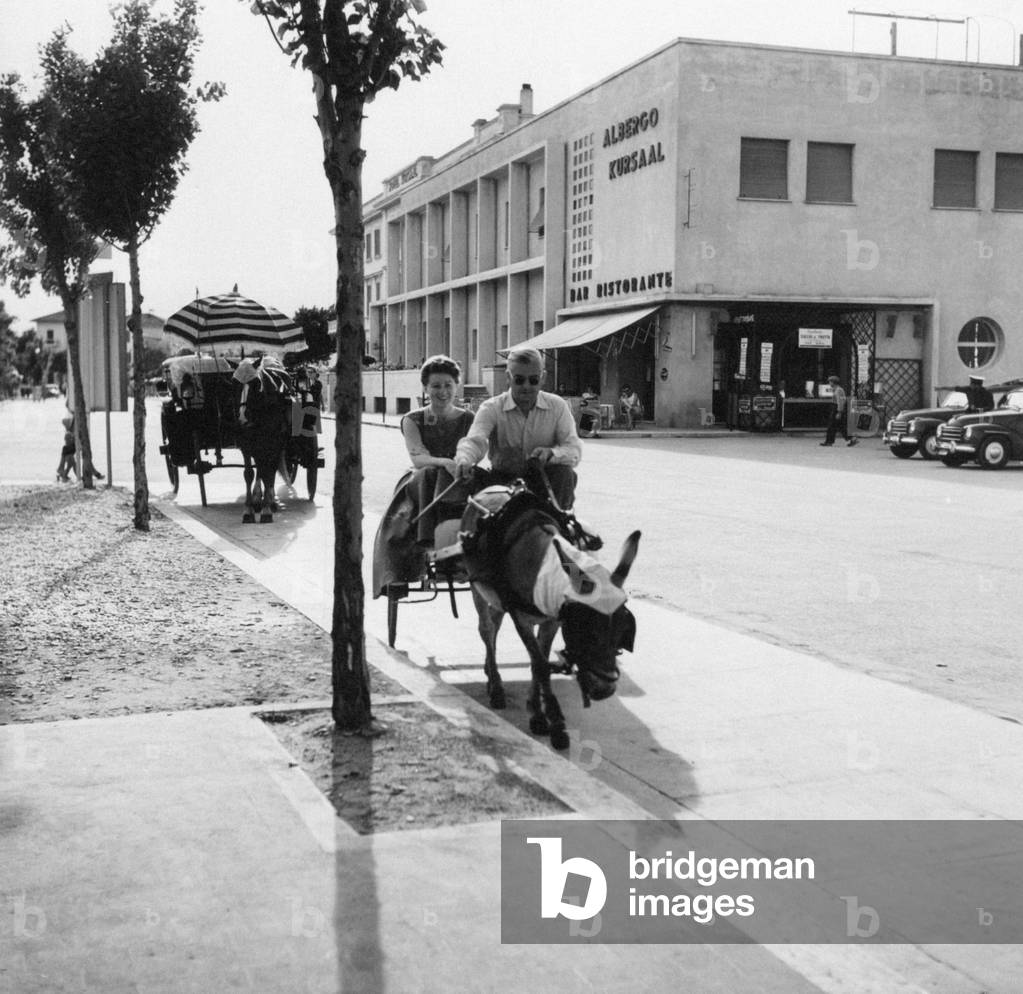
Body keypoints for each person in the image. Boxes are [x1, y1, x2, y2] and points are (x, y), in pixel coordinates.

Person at [372, 356, 475, 598]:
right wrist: (445, 463)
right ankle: (430, 545)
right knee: (432, 474)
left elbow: (475, 447)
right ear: (426, 388)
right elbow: (418, 457)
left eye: (448, 385)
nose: (442, 391)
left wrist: (461, 463)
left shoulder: (469, 419)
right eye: (436, 386)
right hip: (422, 479)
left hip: (459, 475)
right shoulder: (413, 419)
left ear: (456, 386)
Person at [454, 347, 582, 510]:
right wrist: (465, 459)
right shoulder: (491, 407)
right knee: (471, 478)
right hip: (501, 481)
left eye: (533, 380)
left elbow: (574, 449)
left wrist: (551, 454)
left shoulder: (557, 406)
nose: (526, 386)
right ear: (508, 377)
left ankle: (558, 520)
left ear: (543, 378)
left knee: (565, 473)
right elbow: (475, 441)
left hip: (544, 481)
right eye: (519, 380)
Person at [820, 374, 858, 447]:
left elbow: (840, 401)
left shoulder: (839, 390)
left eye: (830, 382)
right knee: (840, 426)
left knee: (831, 426)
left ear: (833, 382)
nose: (829, 383)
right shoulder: (836, 389)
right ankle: (852, 439)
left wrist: (839, 412)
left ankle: (829, 441)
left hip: (837, 408)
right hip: (835, 408)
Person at [56, 414, 78, 482]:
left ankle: (62, 473)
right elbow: (68, 441)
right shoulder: (69, 433)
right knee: (72, 464)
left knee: (71, 464)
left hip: (68, 450)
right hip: (69, 450)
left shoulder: (69, 432)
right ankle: (77, 476)